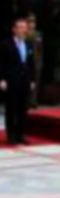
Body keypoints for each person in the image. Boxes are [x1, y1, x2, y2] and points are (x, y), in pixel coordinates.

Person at [0, 17, 35, 145]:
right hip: (11, 80)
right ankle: (11, 135)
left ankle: (21, 134)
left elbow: (31, 64)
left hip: (24, 81)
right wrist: (2, 79)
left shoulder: (28, 44)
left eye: (24, 27)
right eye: (19, 27)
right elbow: (2, 63)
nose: (22, 30)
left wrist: (32, 79)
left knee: (23, 109)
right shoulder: (6, 44)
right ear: (14, 29)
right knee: (11, 109)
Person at [26, 14, 43, 108]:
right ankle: (27, 101)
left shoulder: (38, 34)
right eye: (30, 22)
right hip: (27, 63)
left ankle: (34, 101)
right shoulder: (24, 34)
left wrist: (40, 62)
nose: (32, 24)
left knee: (36, 83)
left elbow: (40, 50)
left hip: (36, 62)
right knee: (27, 83)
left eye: (33, 22)